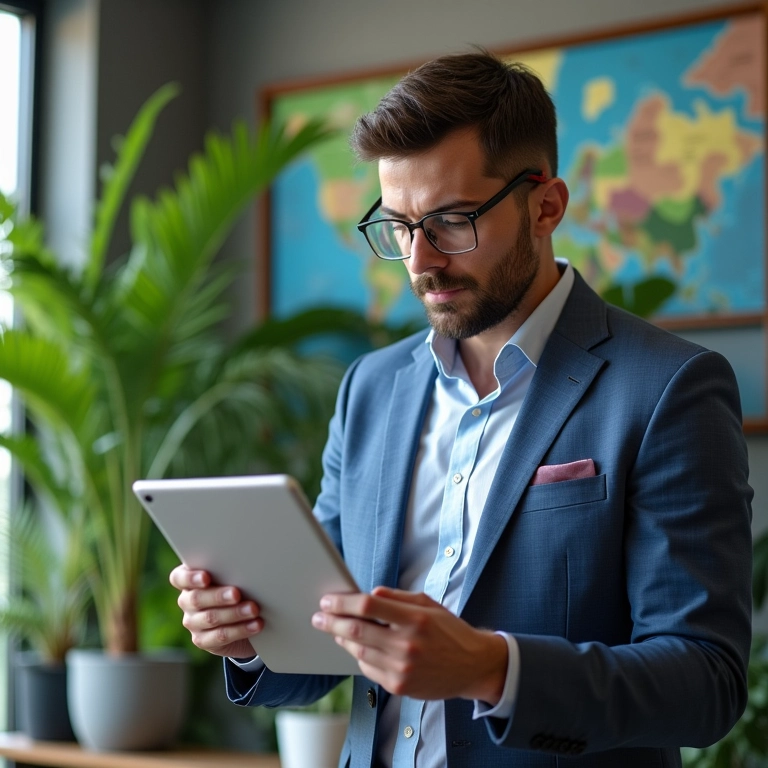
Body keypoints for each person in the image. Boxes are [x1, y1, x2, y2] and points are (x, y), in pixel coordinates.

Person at [170, 51, 753, 768]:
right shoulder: (370, 390)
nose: (419, 260)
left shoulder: (668, 388)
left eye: (450, 221)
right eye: (397, 225)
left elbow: (705, 682)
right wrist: (252, 636)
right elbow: (330, 632)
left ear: (546, 205)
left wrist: (490, 668)